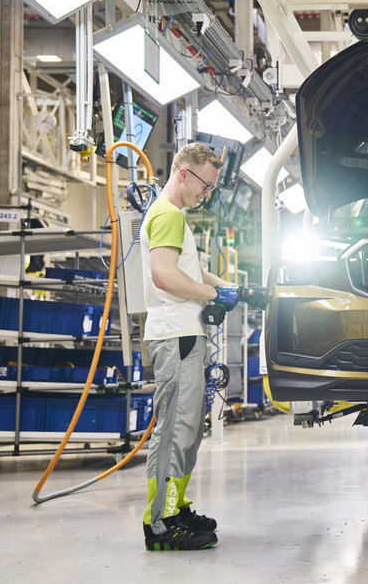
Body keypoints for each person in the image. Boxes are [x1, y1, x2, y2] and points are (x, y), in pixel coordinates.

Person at [139, 142, 239, 551]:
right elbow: (164, 276)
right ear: (183, 173)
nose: (207, 194)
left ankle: (175, 509)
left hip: (184, 334)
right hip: (174, 335)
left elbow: (191, 271)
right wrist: (213, 295)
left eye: (212, 188)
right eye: (205, 185)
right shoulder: (166, 214)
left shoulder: (175, 216)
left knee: (188, 430)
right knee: (174, 431)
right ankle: (160, 523)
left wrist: (231, 287)